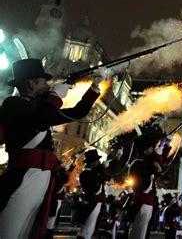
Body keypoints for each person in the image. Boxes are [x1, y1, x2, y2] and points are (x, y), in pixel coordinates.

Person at [0, 59, 104, 238]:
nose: (47, 84)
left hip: (40, 177)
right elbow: (39, 120)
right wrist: (55, 96)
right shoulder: (13, 104)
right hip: (23, 176)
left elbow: (78, 112)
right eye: (43, 81)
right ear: (32, 83)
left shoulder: (42, 108)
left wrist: (94, 87)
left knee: (29, 232)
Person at [127, 131, 169, 238]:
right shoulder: (138, 163)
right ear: (145, 150)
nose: (152, 150)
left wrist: (166, 144)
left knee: (143, 234)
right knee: (138, 234)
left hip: (146, 203)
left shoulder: (144, 162)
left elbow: (157, 169)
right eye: (150, 148)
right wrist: (158, 154)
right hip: (141, 203)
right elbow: (156, 168)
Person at [76, 149, 112, 238]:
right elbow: (95, 189)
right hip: (92, 203)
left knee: (90, 230)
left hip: (96, 203)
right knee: (86, 230)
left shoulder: (93, 173)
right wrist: (103, 169)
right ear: (92, 162)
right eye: (97, 161)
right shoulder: (87, 174)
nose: (98, 162)